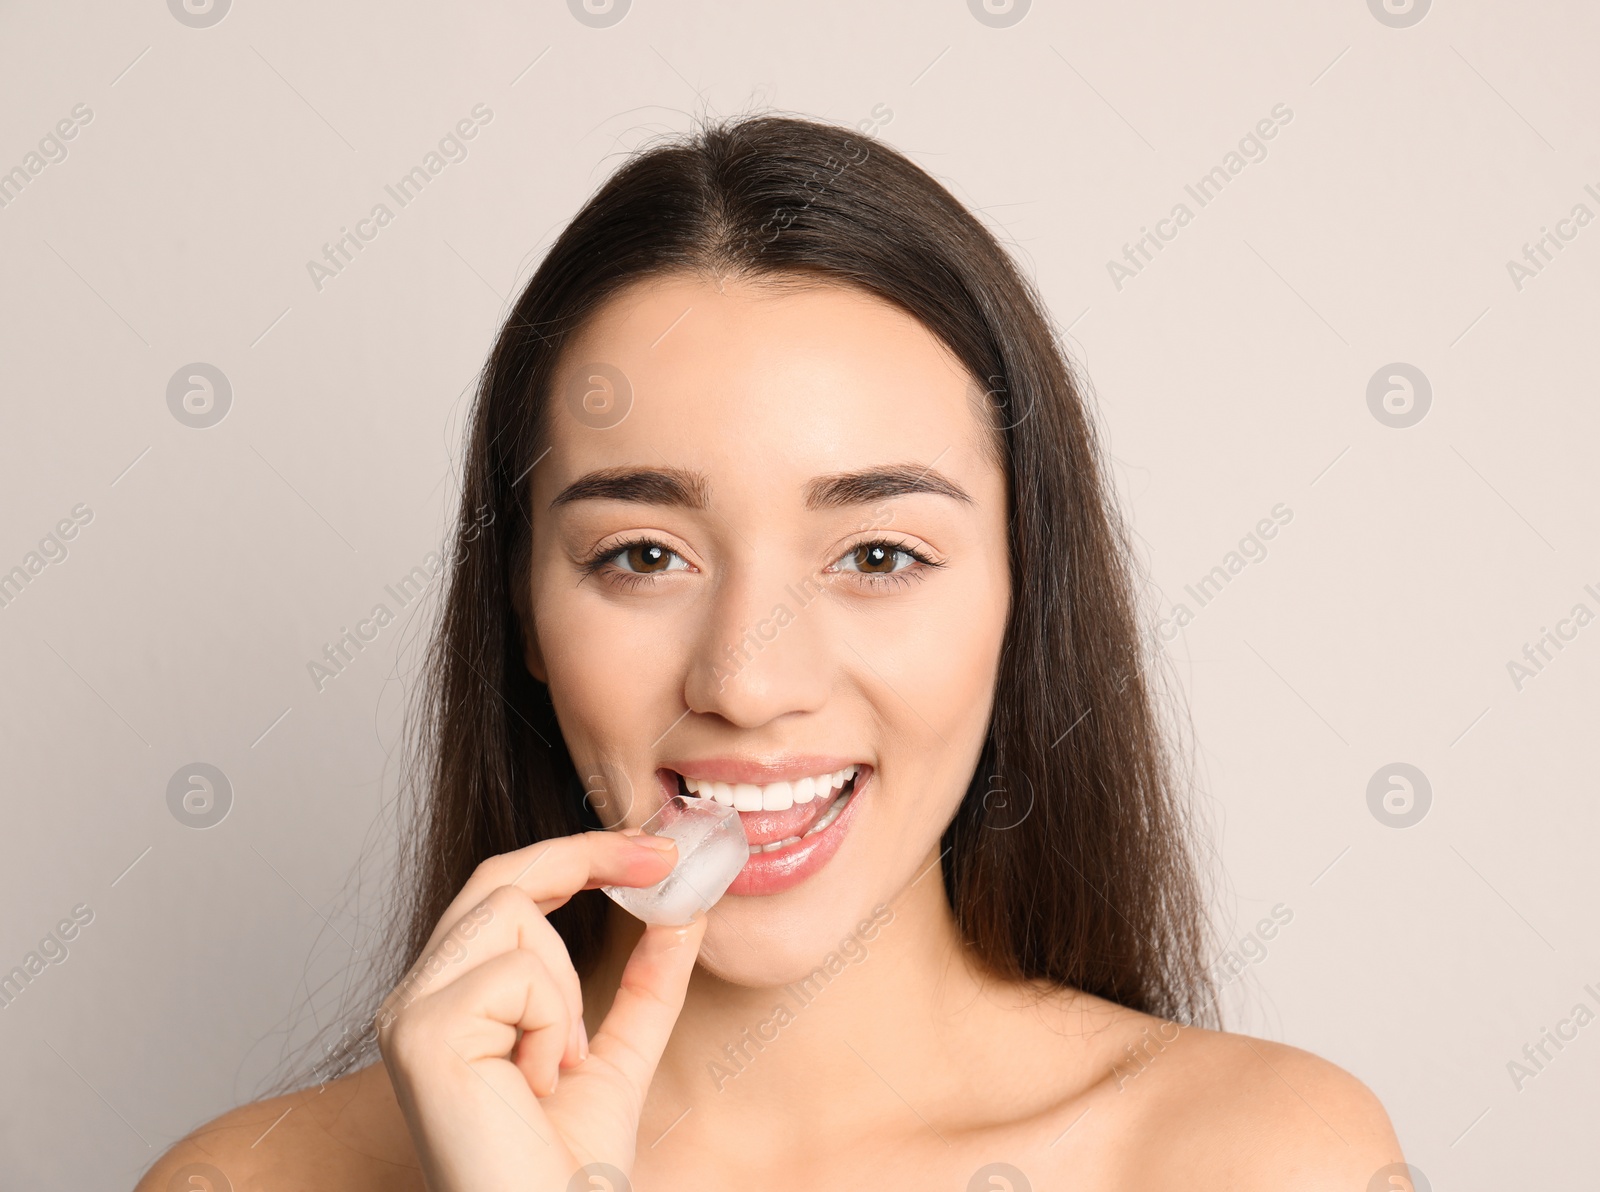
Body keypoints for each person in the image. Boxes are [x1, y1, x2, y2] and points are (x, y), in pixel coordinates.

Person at [139, 114, 1404, 1190]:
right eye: (642, 555)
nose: (747, 683)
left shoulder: (1258, 1158)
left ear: (1027, 597)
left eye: (876, 557)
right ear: (519, 611)